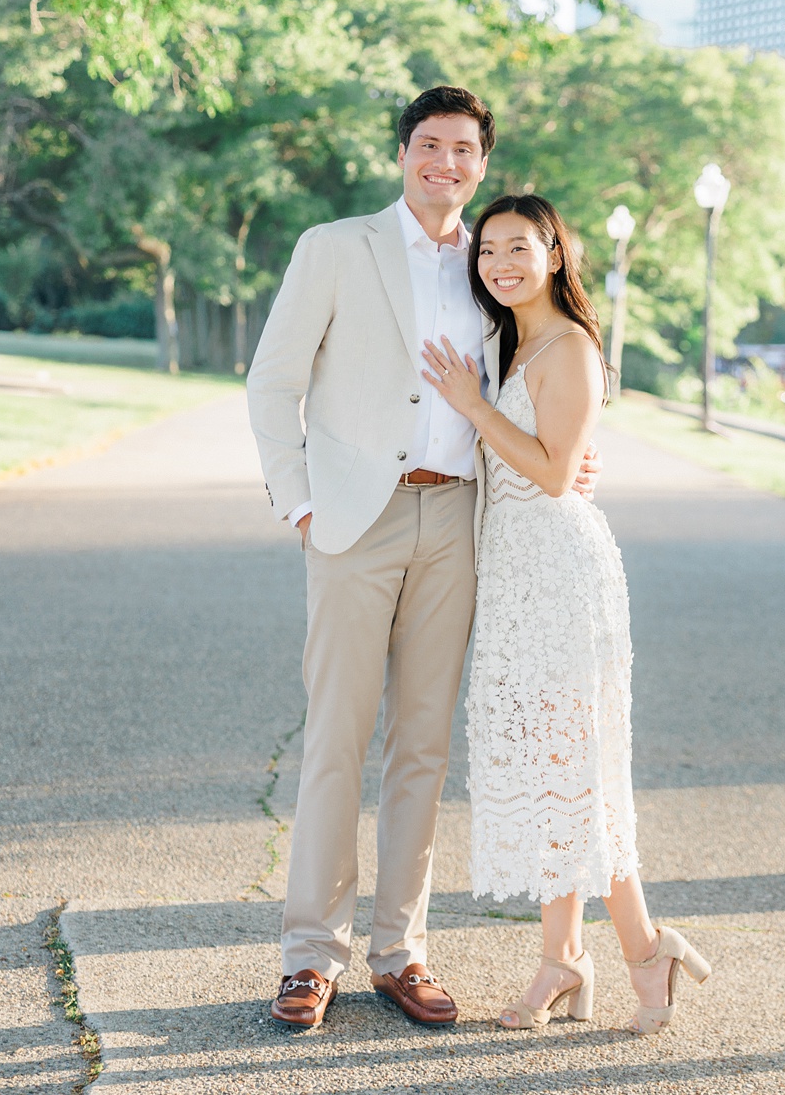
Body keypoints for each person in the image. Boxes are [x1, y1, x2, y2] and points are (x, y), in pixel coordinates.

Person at [245, 88, 599, 1031]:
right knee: (337, 736)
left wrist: (573, 453)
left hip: (458, 522)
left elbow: (540, 375)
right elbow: (272, 382)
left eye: (464, 149)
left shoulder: (493, 265)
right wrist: (300, 502)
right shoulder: (335, 246)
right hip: (352, 522)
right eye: (430, 145)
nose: (447, 163)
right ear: (403, 152)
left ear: (483, 163)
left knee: (424, 747)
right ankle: (310, 956)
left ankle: (401, 954)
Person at [421, 193, 711, 1036]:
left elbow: (553, 475)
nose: (500, 264)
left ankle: (639, 948)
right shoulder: (511, 345)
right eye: (487, 251)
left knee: (577, 774)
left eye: (518, 247)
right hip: (516, 579)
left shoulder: (573, 347)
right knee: (554, 774)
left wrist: (473, 406)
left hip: (560, 579)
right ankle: (568, 957)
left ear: (555, 253)